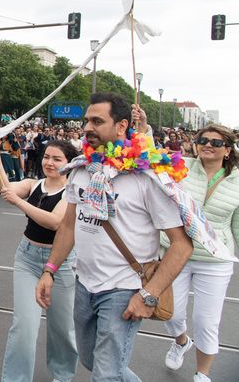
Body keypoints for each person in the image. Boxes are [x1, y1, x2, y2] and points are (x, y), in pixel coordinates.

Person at [35, 92, 194, 381]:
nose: (87, 128)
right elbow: (69, 225)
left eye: (97, 121)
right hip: (85, 284)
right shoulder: (81, 170)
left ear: (121, 126)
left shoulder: (146, 177)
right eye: (86, 121)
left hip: (124, 289)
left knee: (106, 373)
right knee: (90, 360)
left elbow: (182, 245)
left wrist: (149, 294)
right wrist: (50, 270)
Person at [0, 139, 79, 382]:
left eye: (57, 159)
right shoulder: (33, 183)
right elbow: (5, 187)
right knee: (24, 326)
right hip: (27, 258)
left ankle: (62, 375)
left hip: (61, 263)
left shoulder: (72, 192)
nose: (49, 162)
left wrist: (19, 202)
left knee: (62, 329)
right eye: (47, 157)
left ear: (69, 164)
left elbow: (55, 222)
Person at [160, 124, 239, 382]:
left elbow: (237, 225)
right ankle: (181, 341)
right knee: (171, 313)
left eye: (216, 143)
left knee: (207, 322)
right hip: (177, 254)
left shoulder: (237, 180)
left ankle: (202, 374)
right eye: (203, 140)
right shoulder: (180, 167)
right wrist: (142, 127)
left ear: (227, 150)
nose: (208, 145)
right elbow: (149, 155)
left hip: (215, 260)